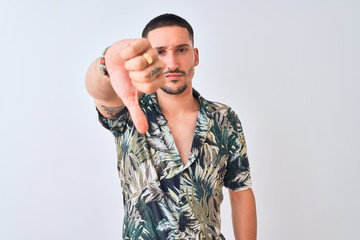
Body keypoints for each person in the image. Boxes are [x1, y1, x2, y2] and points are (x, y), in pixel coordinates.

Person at [85, 13, 257, 240]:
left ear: (195, 56)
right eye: (160, 52)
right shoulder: (129, 109)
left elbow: (240, 191)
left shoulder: (224, 118)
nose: (172, 63)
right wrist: (107, 63)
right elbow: (101, 92)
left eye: (181, 50)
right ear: (147, 58)